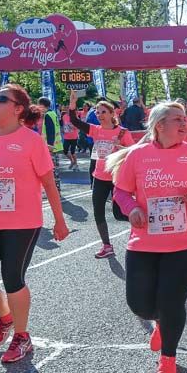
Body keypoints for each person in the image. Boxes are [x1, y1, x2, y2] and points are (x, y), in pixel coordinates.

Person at [108, 102, 187, 373]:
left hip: (186, 242)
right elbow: (121, 191)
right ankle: (158, 322)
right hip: (144, 241)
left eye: (185, 119)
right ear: (159, 125)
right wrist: (132, 208)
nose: (185, 125)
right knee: (140, 305)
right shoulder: (138, 155)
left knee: (171, 302)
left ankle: (168, 358)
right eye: (177, 120)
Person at [0, 84, 70, 363]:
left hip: (23, 222)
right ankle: (6, 317)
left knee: (13, 279)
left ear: (18, 108)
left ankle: (22, 336)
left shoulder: (31, 141)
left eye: (1, 99)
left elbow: (48, 182)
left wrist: (59, 219)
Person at [67, 89, 135, 259]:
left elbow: (134, 153)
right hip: (99, 177)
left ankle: (142, 227)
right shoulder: (95, 130)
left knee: (119, 213)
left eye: (103, 111)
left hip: (116, 177)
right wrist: (73, 104)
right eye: (97, 112)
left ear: (112, 113)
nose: (99, 114)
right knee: (98, 211)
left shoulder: (122, 132)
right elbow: (74, 120)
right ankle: (106, 245)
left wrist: (123, 149)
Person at [36, 97, 63, 192]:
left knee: (52, 170)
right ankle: (56, 190)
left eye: (39, 106)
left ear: (43, 106)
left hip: (51, 147)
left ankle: (55, 191)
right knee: (55, 170)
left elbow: (50, 131)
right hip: (56, 146)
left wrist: (49, 146)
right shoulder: (53, 113)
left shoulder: (48, 115)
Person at [61, 104, 80, 172]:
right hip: (66, 136)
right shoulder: (64, 116)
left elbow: (79, 126)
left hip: (74, 136)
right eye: (66, 109)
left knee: (73, 152)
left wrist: (73, 127)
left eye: (69, 109)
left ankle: (76, 164)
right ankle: (72, 161)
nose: (67, 110)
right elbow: (64, 124)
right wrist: (63, 129)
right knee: (65, 150)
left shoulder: (75, 117)